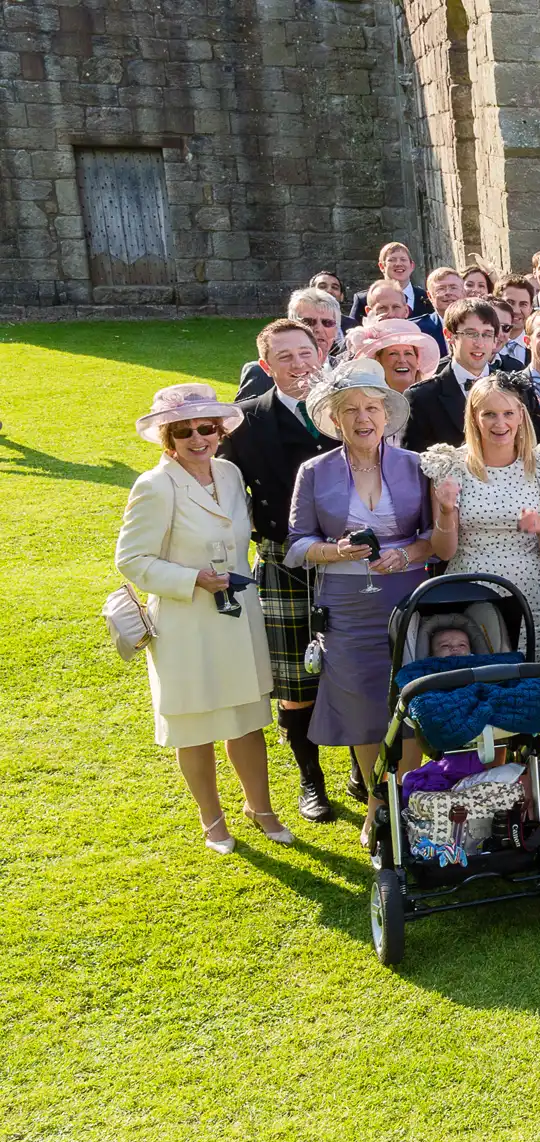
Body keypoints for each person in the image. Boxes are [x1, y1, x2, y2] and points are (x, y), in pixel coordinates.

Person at [117, 384, 289, 853]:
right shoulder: (153, 486)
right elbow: (132, 560)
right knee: (195, 725)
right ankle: (212, 819)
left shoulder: (230, 473)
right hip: (185, 624)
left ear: (219, 430)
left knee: (246, 719)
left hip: (236, 617)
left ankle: (261, 807)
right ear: (166, 437)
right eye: (185, 430)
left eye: (207, 428)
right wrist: (194, 578)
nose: (198, 438)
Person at [286, 361, 434, 842]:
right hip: (346, 605)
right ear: (335, 418)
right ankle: (378, 803)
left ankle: (408, 801)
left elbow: (437, 538)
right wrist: (335, 551)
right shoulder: (314, 471)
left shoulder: (416, 466)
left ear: (386, 415)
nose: (362, 417)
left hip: (406, 598)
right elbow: (296, 544)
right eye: (350, 409)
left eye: (371, 407)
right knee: (363, 704)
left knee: (407, 697)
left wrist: (407, 553)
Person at [218, 320, 337, 820]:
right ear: (266, 367)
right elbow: (221, 492)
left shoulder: (345, 410)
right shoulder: (244, 422)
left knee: (354, 667)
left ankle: (360, 764)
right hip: (281, 559)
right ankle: (311, 780)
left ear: (322, 353)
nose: (298, 365)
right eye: (284, 357)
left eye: (305, 353)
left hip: (348, 559)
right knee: (293, 680)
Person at [422, 378, 540, 648]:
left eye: (508, 413)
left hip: (533, 598)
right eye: (489, 414)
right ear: (475, 418)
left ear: (521, 416)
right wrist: (445, 511)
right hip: (472, 596)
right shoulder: (451, 466)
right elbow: (444, 552)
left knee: (532, 682)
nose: (500, 424)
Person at [402, 299, 540, 451]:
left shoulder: (519, 389)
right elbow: (415, 464)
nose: (480, 343)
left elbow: (535, 449)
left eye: (487, 334)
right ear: (449, 335)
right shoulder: (422, 397)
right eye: (471, 334)